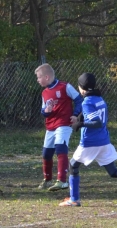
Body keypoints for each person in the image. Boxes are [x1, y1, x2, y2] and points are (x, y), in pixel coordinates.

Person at [59, 73, 117, 206]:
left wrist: (80, 124)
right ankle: (73, 199)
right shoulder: (99, 99)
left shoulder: (87, 101)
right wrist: (81, 118)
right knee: (114, 172)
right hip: (104, 140)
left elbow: (96, 122)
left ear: (82, 88)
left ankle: (74, 200)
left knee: (73, 165)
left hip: (90, 142)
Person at [35, 63, 83, 191]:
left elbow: (79, 100)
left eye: (39, 77)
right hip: (50, 126)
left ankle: (62, 180)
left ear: (46, 76)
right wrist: (47, 111)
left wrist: (75, 115)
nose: (37, 80)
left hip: (63, 124)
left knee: (60, 149)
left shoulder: (65, 86)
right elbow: (43, 111)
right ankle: (47, 180)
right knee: (46, 154)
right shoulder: (44, 92)